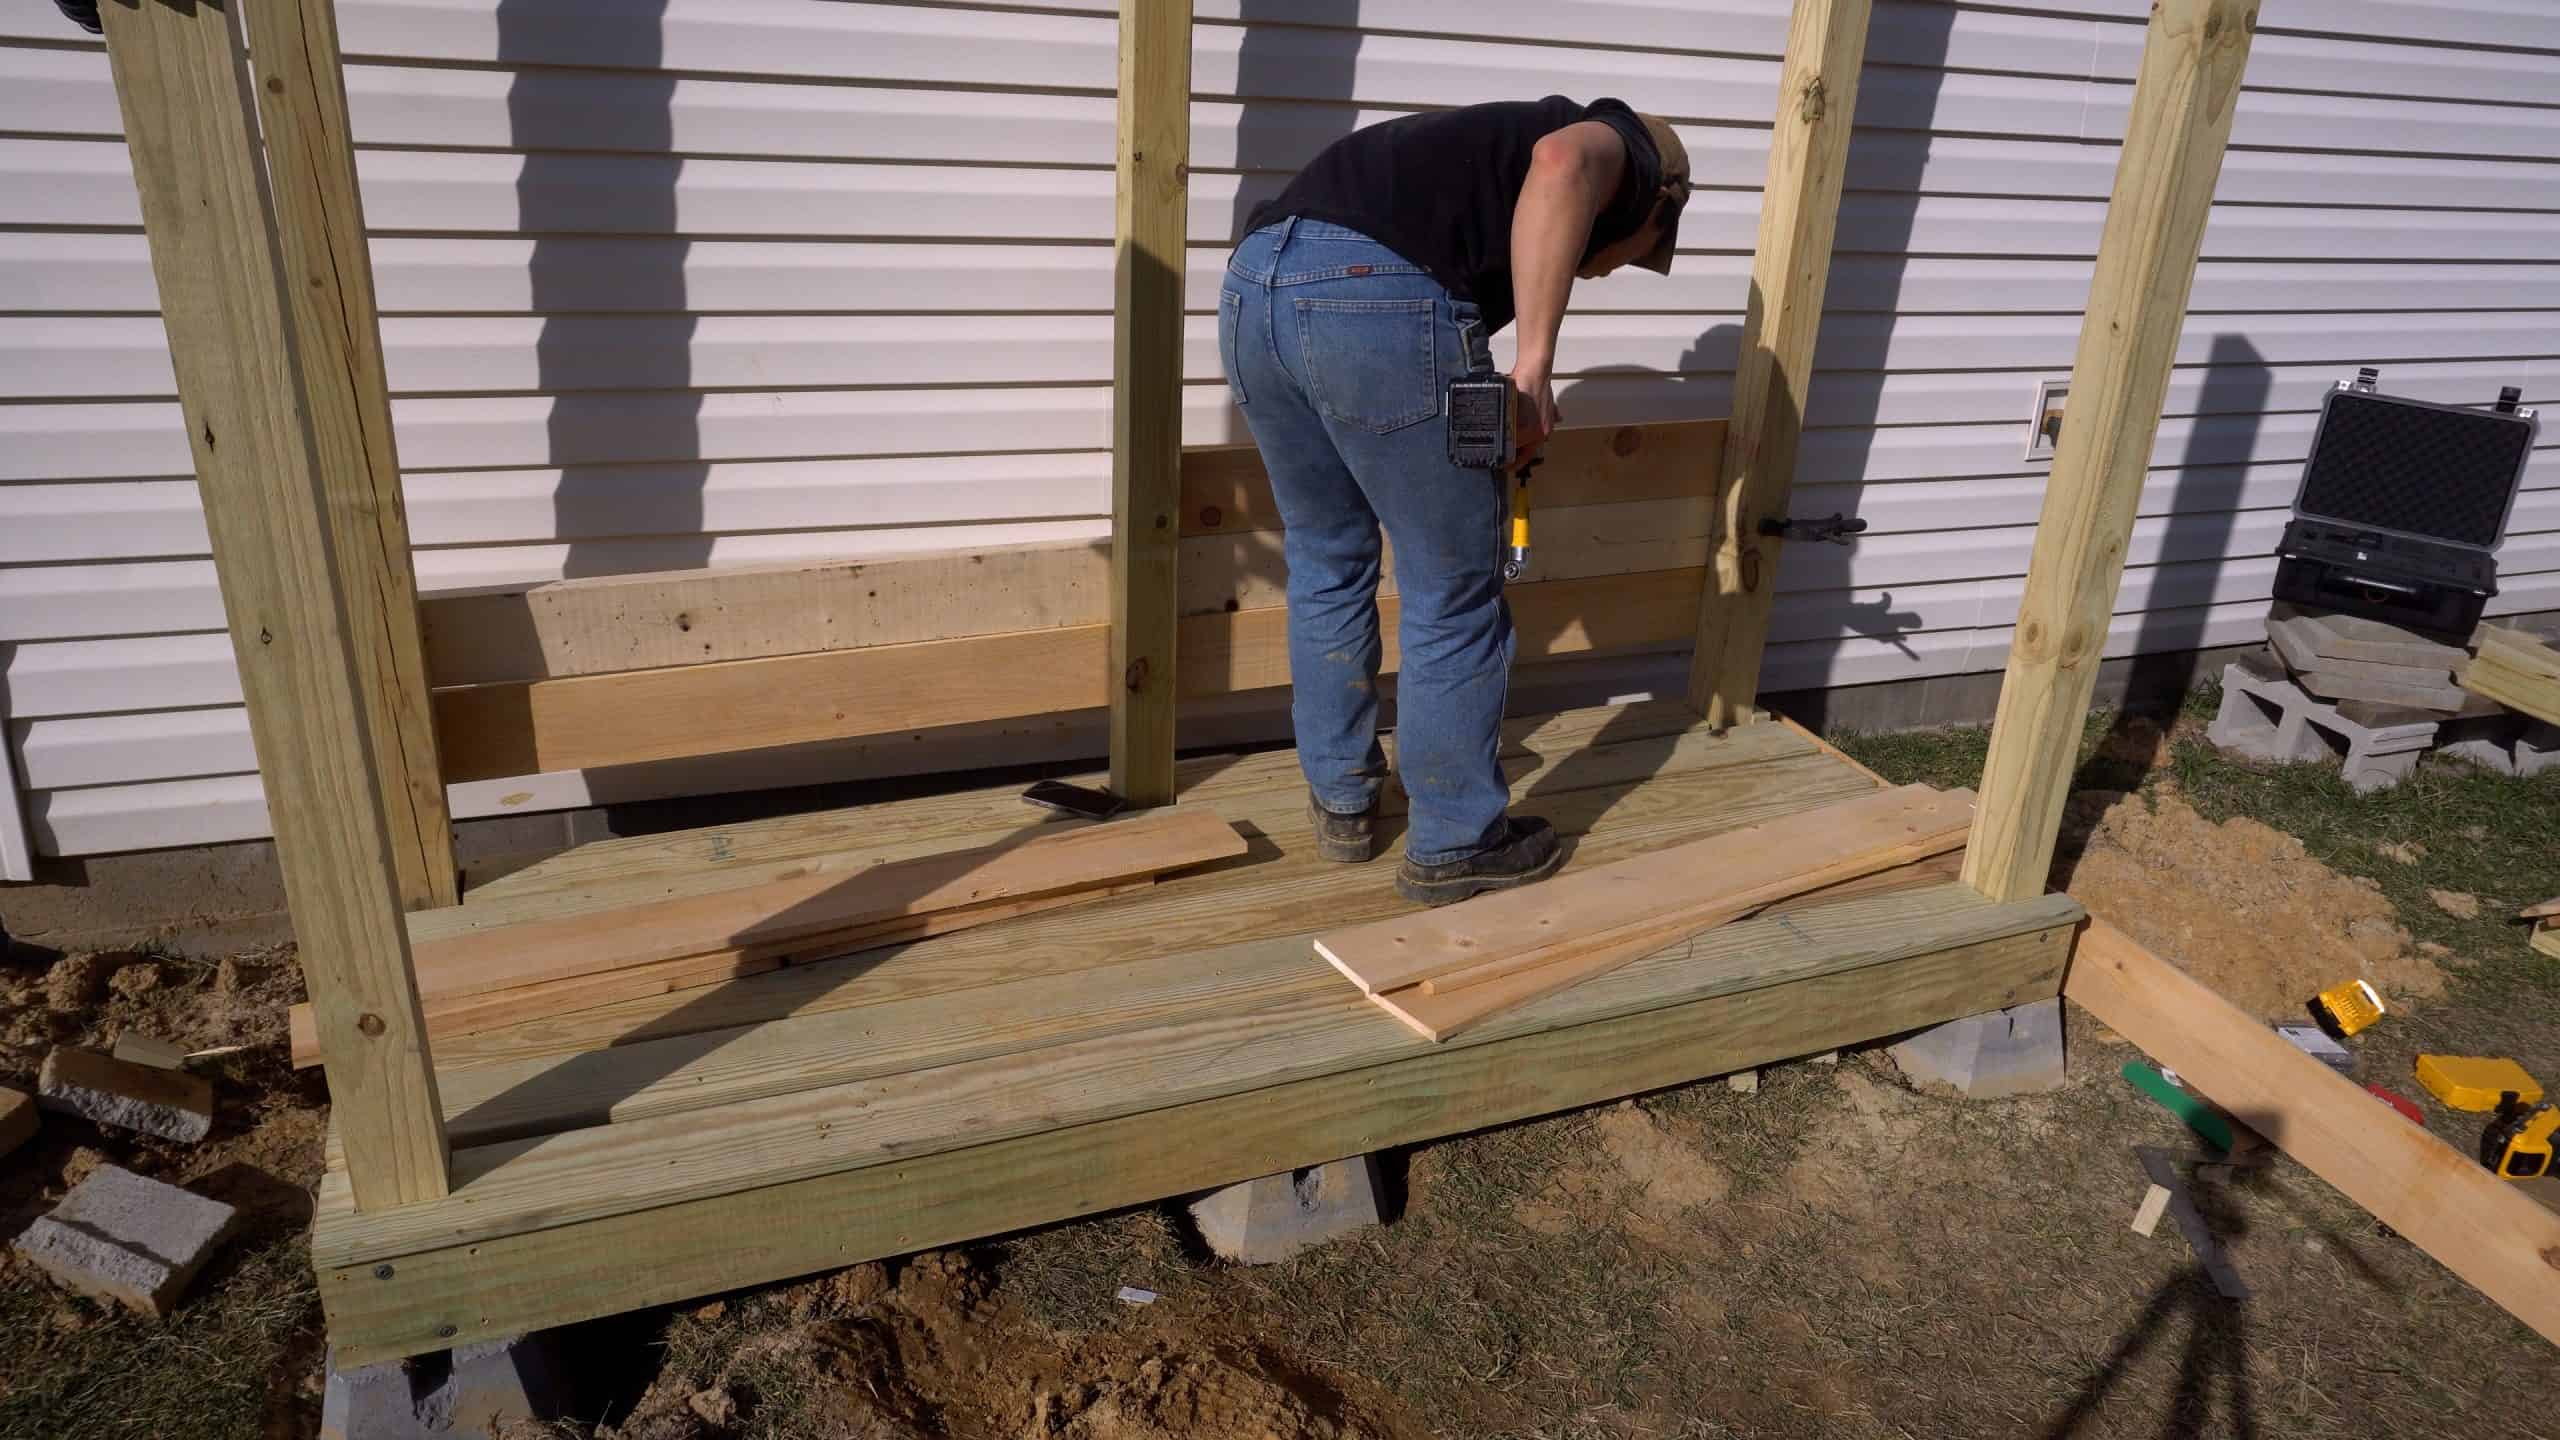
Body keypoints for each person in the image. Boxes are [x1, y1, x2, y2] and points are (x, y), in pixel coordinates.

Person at [1218, 97, 1691, 905]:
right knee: (1453, 586)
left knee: (1328, 560)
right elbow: (1563, 166)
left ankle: (1342, 803)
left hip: (1254, 289)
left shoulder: (1459, 153)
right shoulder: (1622, 147)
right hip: (1369, 295)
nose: (1606, 268)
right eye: (1640, 252)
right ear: (1655, 202)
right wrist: (1534, 367)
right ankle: (1455, 842)